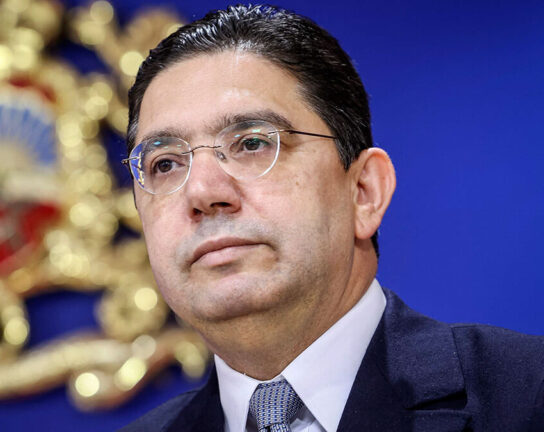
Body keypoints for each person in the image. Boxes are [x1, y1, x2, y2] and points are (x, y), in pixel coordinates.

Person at [117, 4, 544, 432]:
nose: (203, 192)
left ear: (364, 192)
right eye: (165, 164)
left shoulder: (528, 397)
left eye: (252, 143)